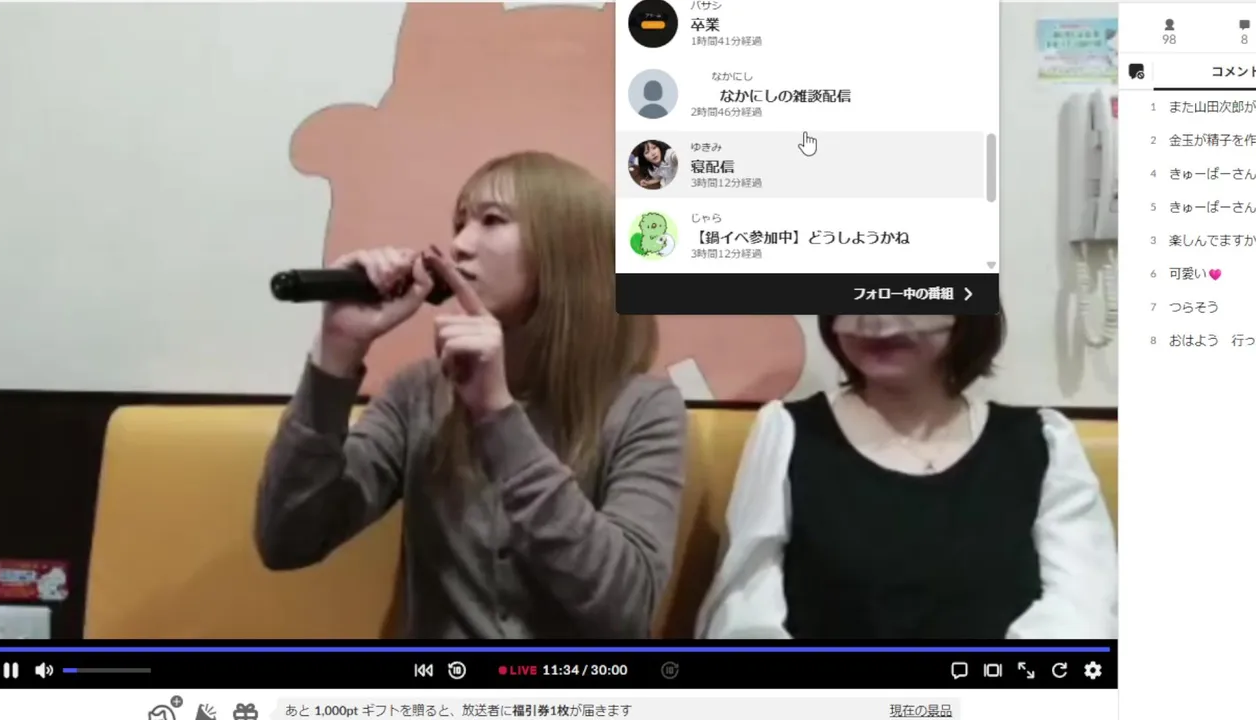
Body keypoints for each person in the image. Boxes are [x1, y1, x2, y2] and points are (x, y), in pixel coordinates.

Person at [256, 151, 688, 639]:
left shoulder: (644, 410)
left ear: (565, 251)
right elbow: (288, 540)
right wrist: (338, 351)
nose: (459, 245)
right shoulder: (420, 394)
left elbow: (626, 611)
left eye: (492, 221)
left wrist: (498, 416)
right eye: (460, 223)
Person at [696, 314, 1118, 639]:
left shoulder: (1041, 442)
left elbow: (1083, 607)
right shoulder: (787, 433)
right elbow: (745, 612)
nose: (878, 321)